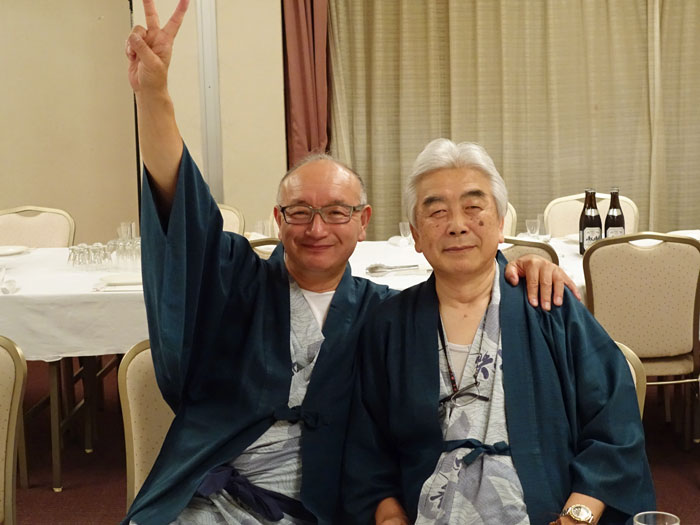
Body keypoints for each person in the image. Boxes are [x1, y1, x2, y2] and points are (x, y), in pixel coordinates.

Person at [124, 2, 580, 524]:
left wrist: (522, 264)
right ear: (278, 219)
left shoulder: (385, 314)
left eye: (337, 212)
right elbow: (184, 216)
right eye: (300, 211)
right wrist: (155, 96)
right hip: (215, 497)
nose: (317, 229)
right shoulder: (236, 282)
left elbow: (467, 282)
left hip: (324, 506)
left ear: (363, 222)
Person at [341, 139, 655, 525]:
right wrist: (390, 518)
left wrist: (576, 518)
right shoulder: (389, 326)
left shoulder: (550, 305)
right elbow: (367, 452)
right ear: (416, 235)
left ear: (501, 223)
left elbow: (615, 427)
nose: (457, 225)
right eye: (437, 212)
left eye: (473, 208)